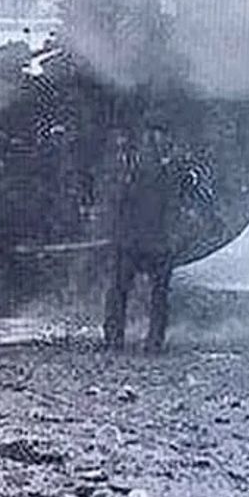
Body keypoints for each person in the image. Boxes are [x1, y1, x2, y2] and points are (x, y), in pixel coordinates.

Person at [103, 123, 177, 353]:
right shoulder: (168, 172)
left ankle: (117, 339)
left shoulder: (132, 171)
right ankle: (151, 340)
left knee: (122, 291)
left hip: (138, 240)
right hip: (148, 240)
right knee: (155, 295)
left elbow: (117, 202)